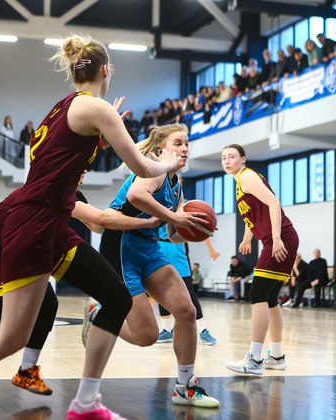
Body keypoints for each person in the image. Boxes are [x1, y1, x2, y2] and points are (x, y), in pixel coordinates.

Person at [0, 34, 181, 420]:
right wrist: (168, 163)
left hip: (49, 223)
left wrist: (106, 128)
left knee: (116, 299)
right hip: (36, 222)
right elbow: (142, 166)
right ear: (106, 71)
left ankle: (86, 403)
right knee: (10, 336)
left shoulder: (64, 108)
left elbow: (65, 158)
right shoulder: (94, 108)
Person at [0, 171, 161, 402]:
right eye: (81, 164)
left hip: (26, 247)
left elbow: (96, 226)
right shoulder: (51, 186)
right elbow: (102, 220)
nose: (84, 169)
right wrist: (150, 220)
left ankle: (27, 370)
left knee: (48, 303)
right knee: (1, 313)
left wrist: (128, 214)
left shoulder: (74, 193)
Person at [98, 123, 220, 408]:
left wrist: (197, 228)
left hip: (149, 247)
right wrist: (175, 217)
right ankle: (97, 317)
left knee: (187, 311)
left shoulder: (176, 186)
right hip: (121, 247)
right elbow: (135, 196)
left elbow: (174, 235)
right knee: (146, 336)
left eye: (187, 143)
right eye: (178, 143)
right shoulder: (155, 171)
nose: (185, 148)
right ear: (161, 150)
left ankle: (185, 387)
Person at [222, 144, 299, 375]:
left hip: (280, 238)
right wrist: (247, 239)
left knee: (256, 293)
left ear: (243, 159)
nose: (227, 161)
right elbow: (254, 216)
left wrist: (276, 238)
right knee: (270, 298)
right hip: (277, 238)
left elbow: (274, 203)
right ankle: (276, 356)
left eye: (232, 156)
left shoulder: (246, 177)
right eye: (224, 157)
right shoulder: (241, 182)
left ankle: (255, 360)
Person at [156, 235, 220, 346]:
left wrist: (211, 249)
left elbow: (199, 229)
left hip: (177, 248)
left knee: (189, 294)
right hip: (159, 249)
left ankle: (203, 330)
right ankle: (167, 330)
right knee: (162, 292)